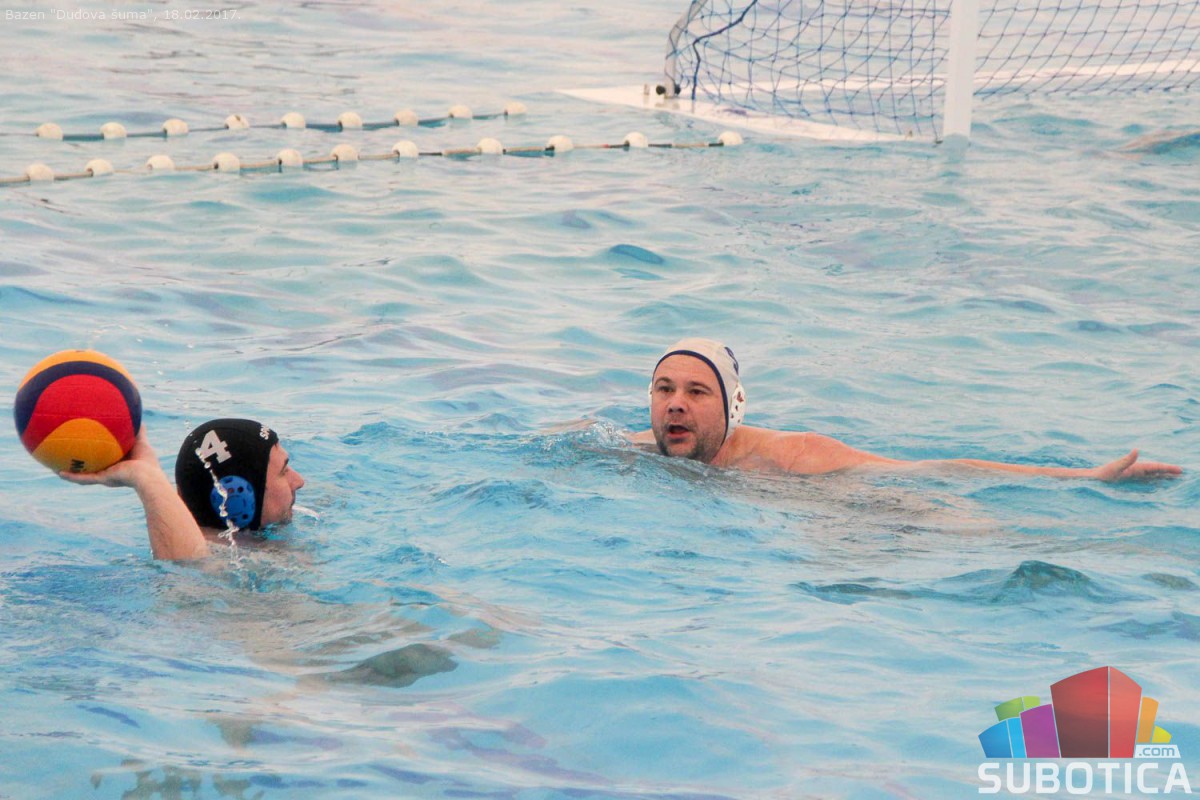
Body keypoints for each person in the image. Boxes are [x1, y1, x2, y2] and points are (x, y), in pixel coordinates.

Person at [631, 338, 1183, 482]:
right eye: (664, 389)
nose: (676, 403)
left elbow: (936, 470)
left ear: (732, 409)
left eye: (697, 392)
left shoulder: (796, 455)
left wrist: (1085, 477)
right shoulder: (630, 450)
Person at [61, 418, 306, 560]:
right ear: (236, 497)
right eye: (283, 471)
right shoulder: (227, 567)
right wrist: (145, 478)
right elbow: (190, 567)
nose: (299, 481)